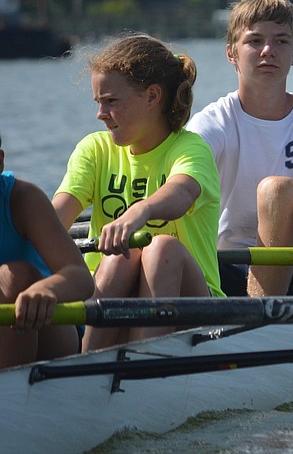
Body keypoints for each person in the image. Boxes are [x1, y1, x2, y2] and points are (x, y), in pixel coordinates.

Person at [53, 34, 222, 352]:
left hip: (192, 305)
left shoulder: (190, 148)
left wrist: (139, 211)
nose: (100, 113)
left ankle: (141, 366)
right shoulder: (94, 150)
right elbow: (54, 219)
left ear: (152, 97)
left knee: (161, 249)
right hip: (105, 292)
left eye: (111, 101)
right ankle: (92, 365)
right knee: (118, 259)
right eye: (99, 102)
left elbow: (181, 192)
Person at [186, 0, 293, 297]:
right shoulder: (211, 122)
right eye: (255, 41)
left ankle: (260, 319)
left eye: (281, 41)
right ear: (232, 53)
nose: (268, 50)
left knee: (277, 189)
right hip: (225, 265)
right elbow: (182, 182)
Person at [0, 135, 94, 368]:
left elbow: (81, 277)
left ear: (0, 162)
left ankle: (12, 392)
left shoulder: (23, 199)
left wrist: (46, 289)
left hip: (51, 334)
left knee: (15, 277)